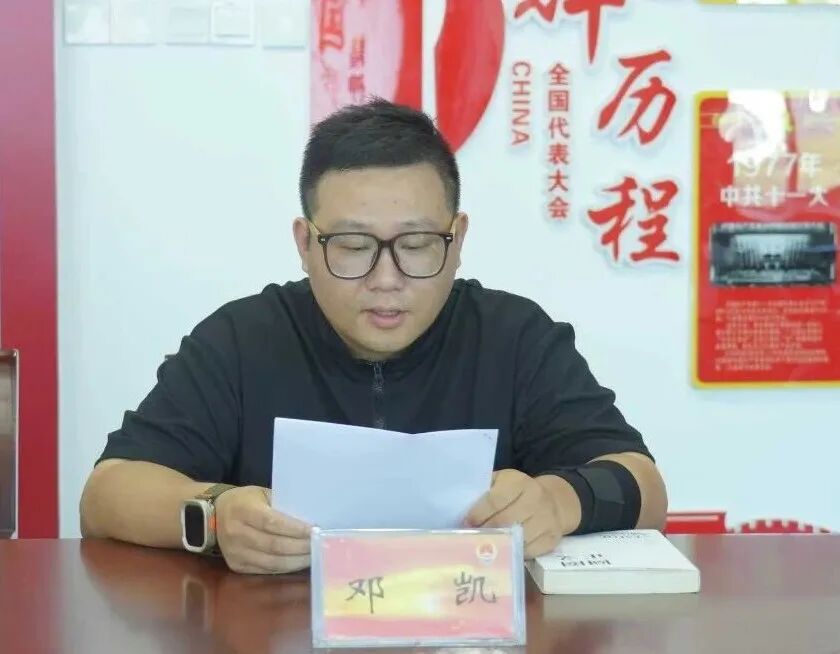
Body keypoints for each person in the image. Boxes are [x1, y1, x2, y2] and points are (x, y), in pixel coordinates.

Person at [80, 99, 667, 574]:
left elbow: (644, 484)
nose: (386, 280)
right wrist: (215, 515)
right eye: (353, 246)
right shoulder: (240, 340)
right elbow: (106, 494)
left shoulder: (515, 338)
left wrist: (558, 503)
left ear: (457, 239)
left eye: (417, 245)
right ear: (305, 244)